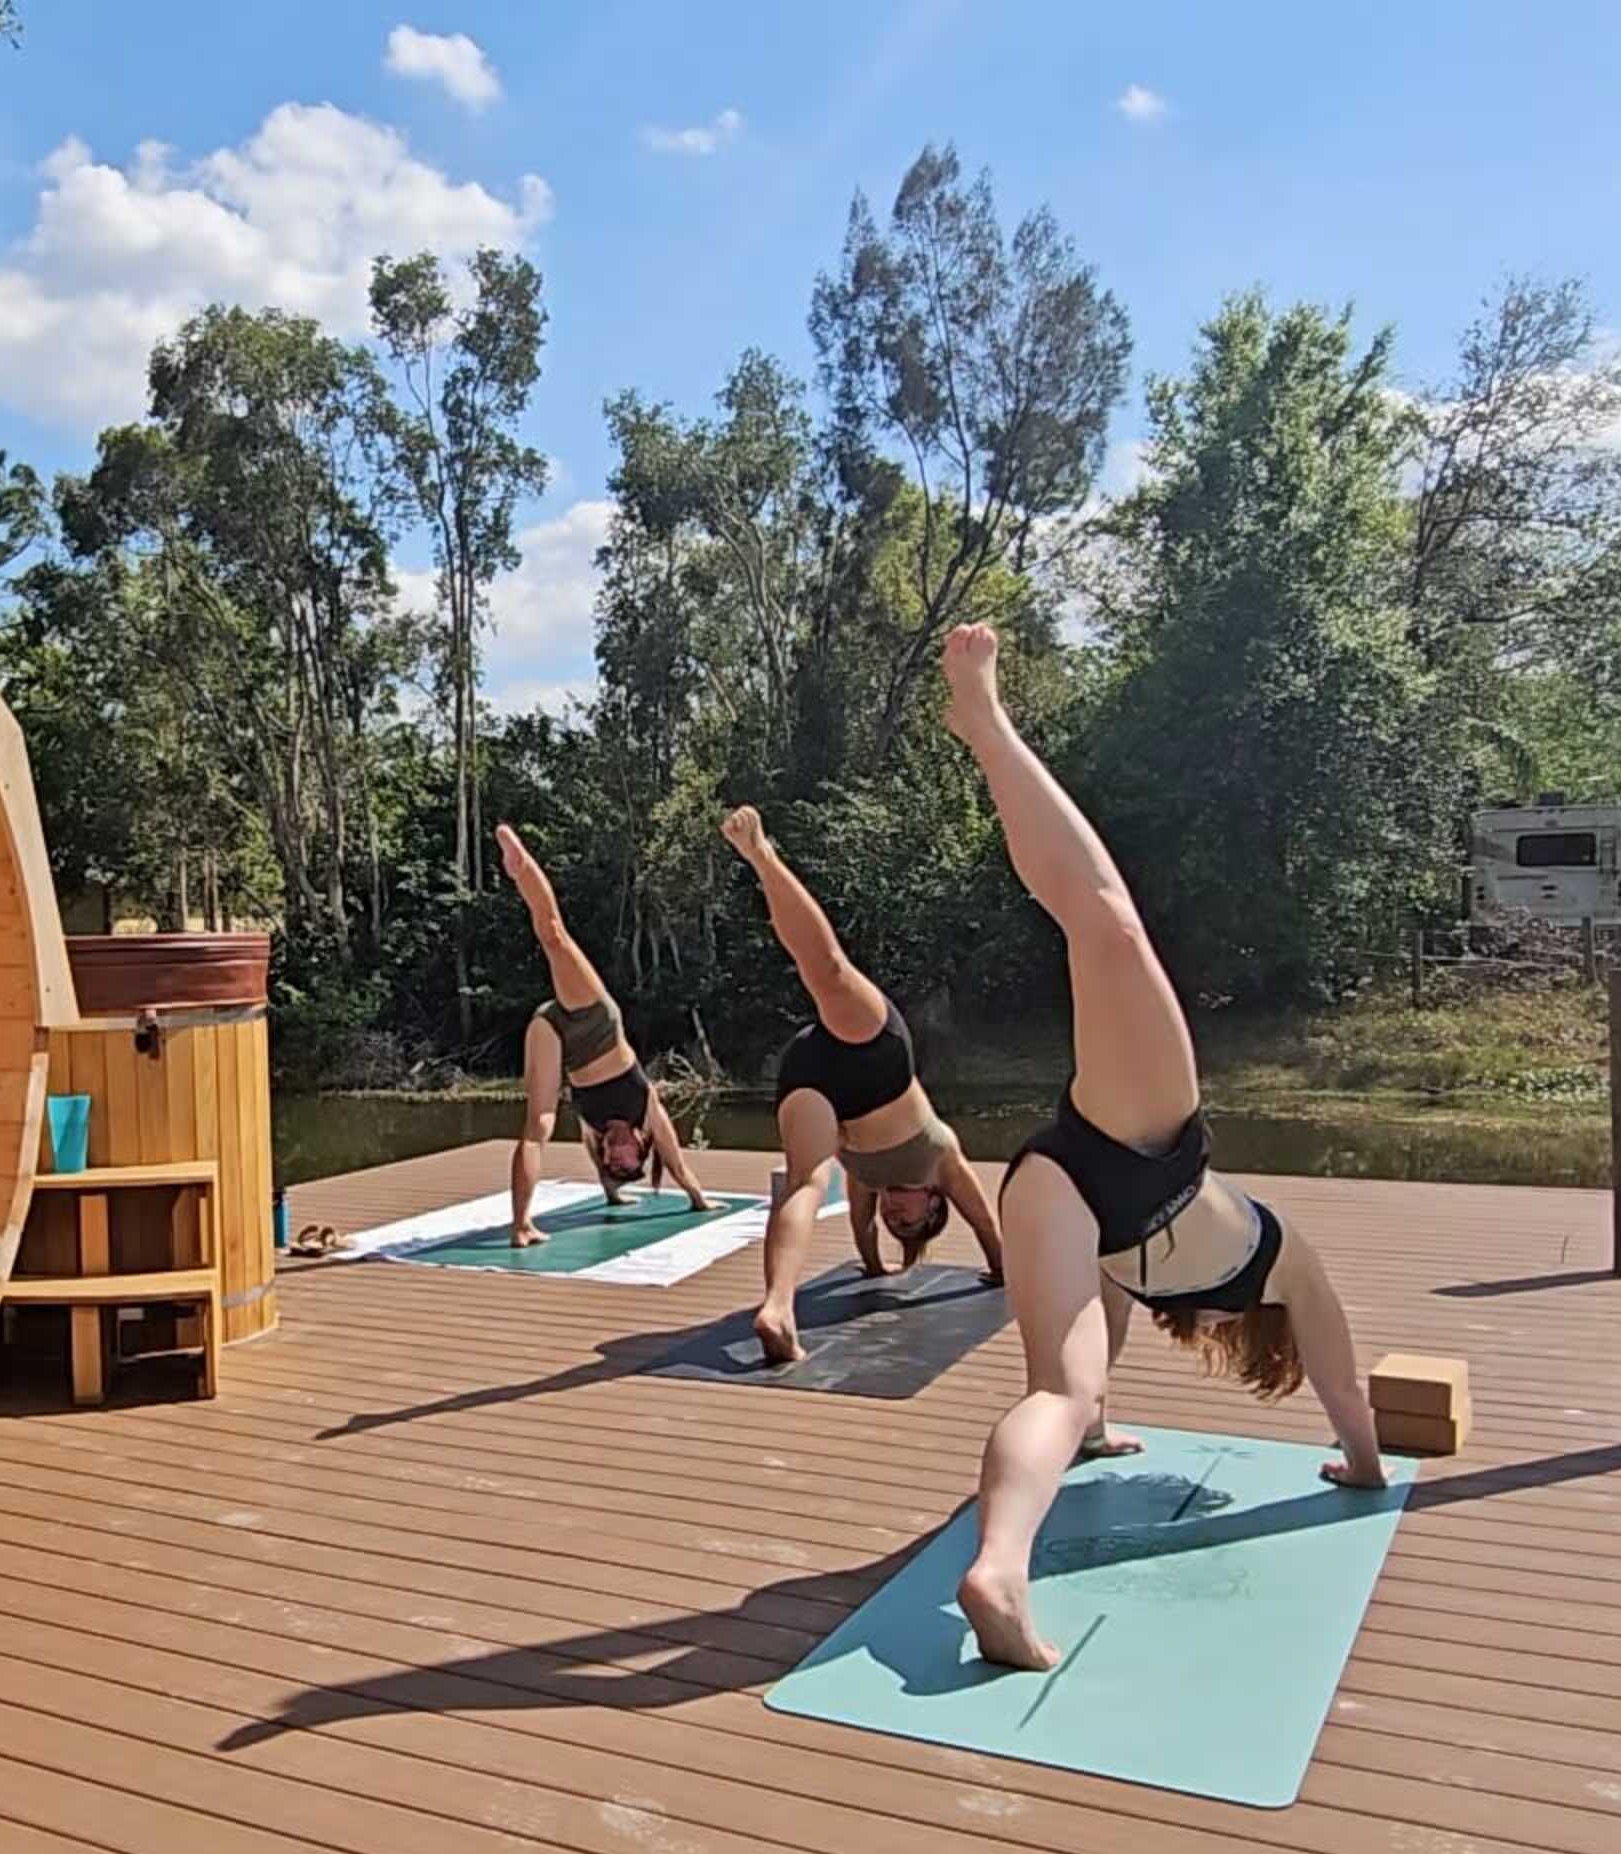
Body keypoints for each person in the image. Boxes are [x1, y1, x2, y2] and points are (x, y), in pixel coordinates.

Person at [933, 622, 1390, 1672]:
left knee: (1106, 925)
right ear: (1245, 1333)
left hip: (1137, 1157)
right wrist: (1358, 1470)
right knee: (1061, 1392)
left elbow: (1352, 1401)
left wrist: (1364, 1453)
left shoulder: (1290, 1263)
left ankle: (988, 725)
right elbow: (1336, 1401)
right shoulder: (1193, 1294)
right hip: (1069, 1194)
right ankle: (999, 1564)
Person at [717, 802, 1009, 1363]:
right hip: (878, 1063)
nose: (894, 1213)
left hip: (815, 1077)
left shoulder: (866, 1188)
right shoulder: (942, 1158)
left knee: (806, 1181)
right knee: (827, 971)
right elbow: (989, 1229)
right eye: (910, 1218)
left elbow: (862, 1232)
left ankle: (777, 1306)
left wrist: (877, 1266)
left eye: (892, 1218)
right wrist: (1001, 1271)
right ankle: (763, 857)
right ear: (932, 1202)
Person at [500, 823, 713, 1244]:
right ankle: (521, 866)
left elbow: (605, 1173)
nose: (616, 1154)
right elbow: (677, 1164)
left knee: (537, 1126)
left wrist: (612, 1195)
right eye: (626, 1159)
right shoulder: (647, 1112)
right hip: (596, 1022)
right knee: (554, 936)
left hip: (558, 1036)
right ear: (641, 1145)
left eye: (611, 1161)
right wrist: (699, 1200)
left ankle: (520, 1224)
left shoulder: (592, 1131)